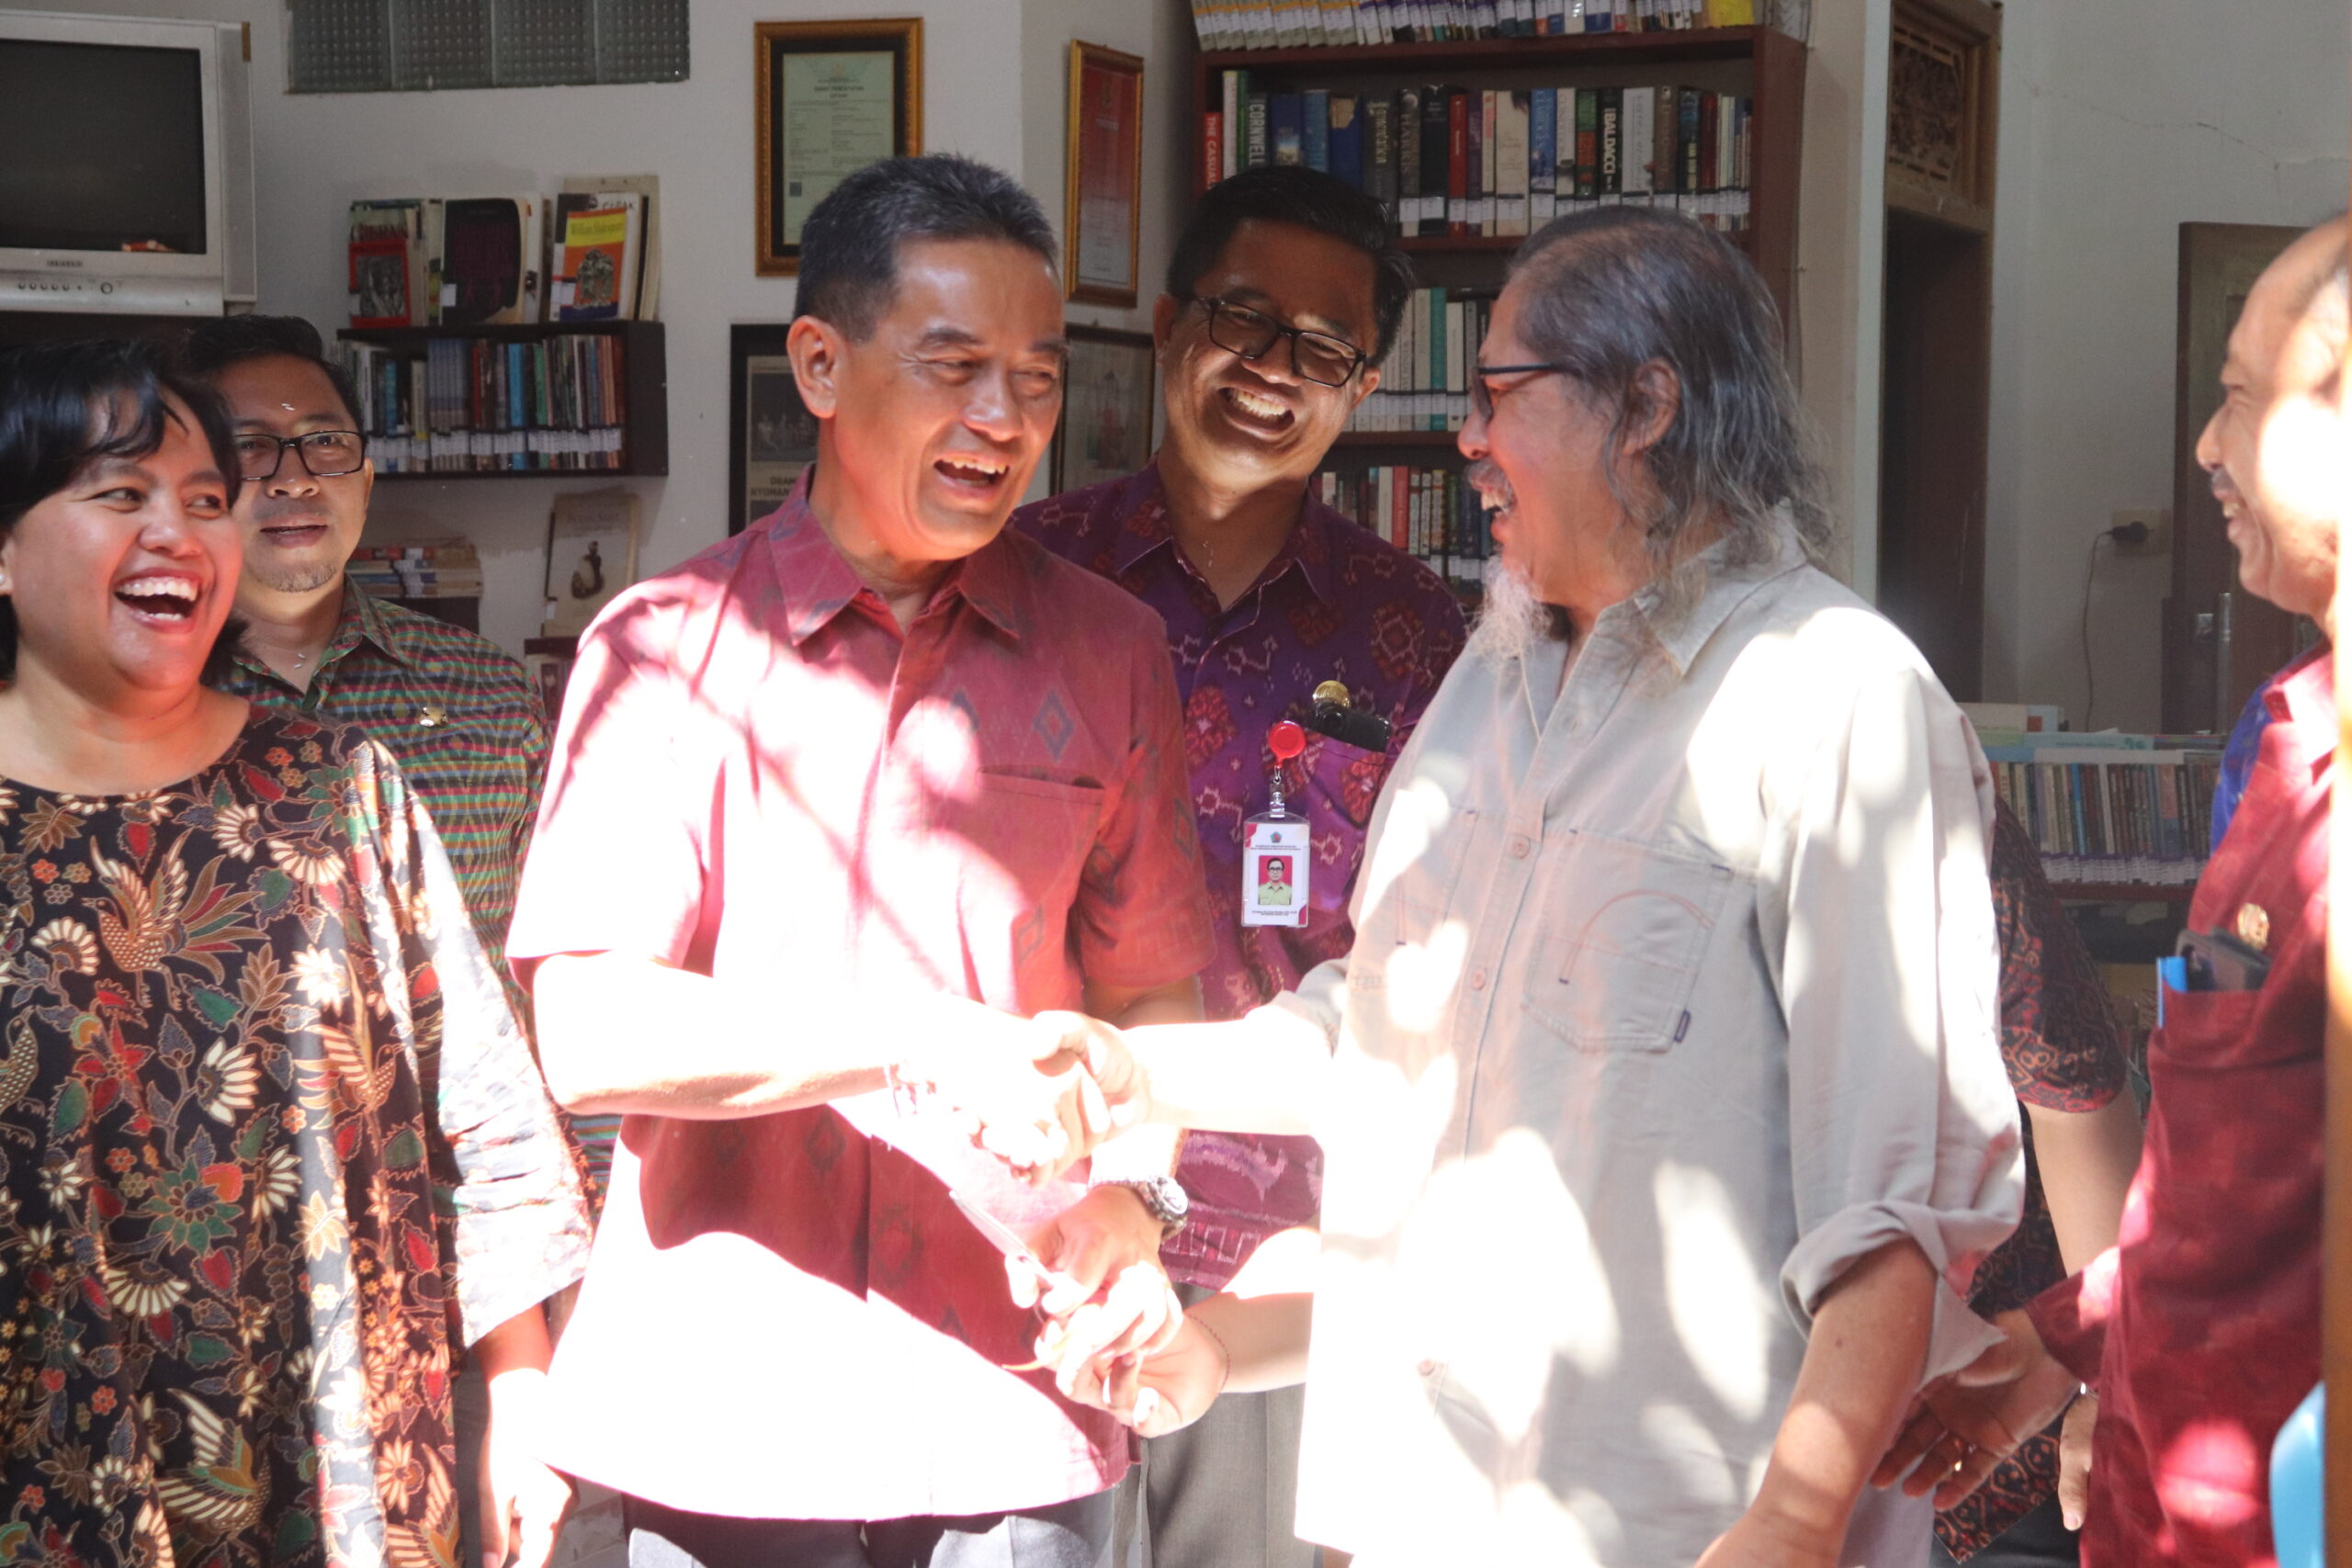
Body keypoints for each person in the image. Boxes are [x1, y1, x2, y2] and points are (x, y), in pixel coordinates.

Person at [1025, 205, 2029, 1568]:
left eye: (1498, 392)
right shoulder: (1490, 679)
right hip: (1418, 1502)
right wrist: (1139, 1076)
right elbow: (1384, 1030)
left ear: (1644, 409)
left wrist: (1798, 1513)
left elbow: (1895, 1184)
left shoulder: (1839, 699)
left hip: (1671, 1525)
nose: (1467, 437)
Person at [506, 154, 1217, 1568]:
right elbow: (588, 1027)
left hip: (1014, 1395)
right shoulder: (664, 648)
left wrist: (1135, 1201)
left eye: (1037, 377)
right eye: (954, 367)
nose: (1004, 419)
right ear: (821, 367)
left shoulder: (1109, 650)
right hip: (728, 1402)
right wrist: (911, 1037)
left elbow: (1150, 998)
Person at [0, 338, 589, 1567]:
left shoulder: (339, 793)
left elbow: (490, 1115)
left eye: (204, 499)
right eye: (123, 493)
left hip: (339, 1469)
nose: (178, 532)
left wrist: (523, 1397)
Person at [1875, 218, 2350, 1568]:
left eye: (2244, 396)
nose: (2204, 445)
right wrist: (2067, 1342)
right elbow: (2249, 1191)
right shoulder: (2288, 744)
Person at [1012, 164, 1464, 1568]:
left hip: (1288, 1259)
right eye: (1243, 318)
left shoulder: (1414, 636)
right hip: (1044, 1238)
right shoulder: (1023, 577)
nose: (1273, 371)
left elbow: (1428, 961)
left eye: (1323, 349)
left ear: (1364, 387)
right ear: (1167, 323)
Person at [180, 311, 573, 1568]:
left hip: (473, 1297)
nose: (293, 475)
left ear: (368, 466)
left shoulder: (490, 700)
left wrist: (561, 1322)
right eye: (250, 448)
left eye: (323, 441)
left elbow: (542, 1008)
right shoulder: (136, 714)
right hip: (201, 1301)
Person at [1930, 800, 2143, 1568]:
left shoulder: (1937, 802)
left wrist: (2105, 1382)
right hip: (1713, 1439)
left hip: (1997, 1412)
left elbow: (2071, 1090)